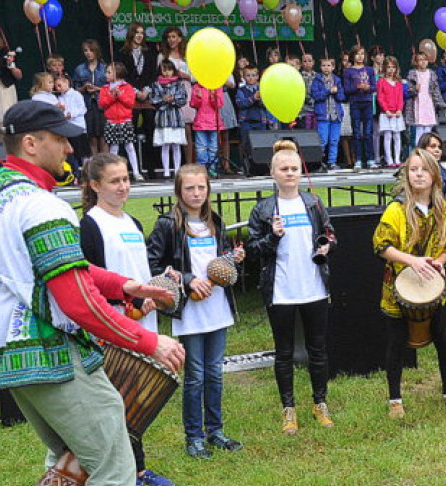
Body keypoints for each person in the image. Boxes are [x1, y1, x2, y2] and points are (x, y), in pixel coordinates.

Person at [0, 100, 184, 486]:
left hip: (6, 357)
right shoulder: (44, 208)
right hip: (51, 353)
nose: (70, 148)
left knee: (68, 456)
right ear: (31, 144)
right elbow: (75, 302)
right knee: (111, 468)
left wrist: (127, 285)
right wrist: (146, 340)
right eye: (60, 139)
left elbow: (74, 271)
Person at [79, 153, 176, 486]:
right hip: (113, 326)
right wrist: (130, 305)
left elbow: (136, 274)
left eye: (126, 179)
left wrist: (157, 287)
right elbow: (90, 283)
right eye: (114, 181)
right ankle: (122, 475)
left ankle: (139, 467)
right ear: (95, 185)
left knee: (137, 398)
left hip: (142, 321)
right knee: (115, 402)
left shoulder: (133, 222)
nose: (123, 187)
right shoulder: (90, 225)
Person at [146, 164, 245, 458]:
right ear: (179, 191)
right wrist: (187, 281)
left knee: (215, 372)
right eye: (190, 188)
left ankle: (215, 431)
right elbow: (152, 265)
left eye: (201, 187)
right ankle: (194, 436)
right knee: (195, 375)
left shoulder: (215, 221)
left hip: (216, 308)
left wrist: (232, 258)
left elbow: (220, 262)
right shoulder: (168, 224)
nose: (196, 193)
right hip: (190, 311)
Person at [247, 141, 337, 434]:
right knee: (283, 352)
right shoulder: (263, 209)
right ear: (273, 173)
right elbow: (252, 250)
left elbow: (330, 235)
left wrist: (326, 247)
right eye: (284, 169)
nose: (289, 174)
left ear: (301, 172)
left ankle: (320, 403)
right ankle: (289, 409)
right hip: (281, 290)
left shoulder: (313, 202)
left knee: (318, 349)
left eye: (294, 169)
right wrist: (272, 237)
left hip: (314, 288)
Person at [372, 149, 446, 418]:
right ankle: (395, 399)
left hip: (434, 287)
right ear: (407, 175)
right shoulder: (397, 209)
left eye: (424, 169)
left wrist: (439, 262)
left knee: (444, 340)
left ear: (434, 175)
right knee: (396, 344)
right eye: (413, 169)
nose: (419, 174)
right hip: (399, 288)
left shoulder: (444, 209)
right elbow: (381, 245)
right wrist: (412, 261)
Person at [120, 23, 159, 177]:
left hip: (147, 96)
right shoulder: (123, 53)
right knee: (131, 133)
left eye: (142, 33)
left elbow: (153, 74)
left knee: (150, 131)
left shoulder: (149, 52)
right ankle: (133, 169)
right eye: (136, 32)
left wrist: (147, 90)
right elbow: (124, 75)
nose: (139, 35)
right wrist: (135, 91)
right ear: (131, 34)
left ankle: (151, 169)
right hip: (132, 96)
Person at [98, 62, 143, 182]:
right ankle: (114, 173)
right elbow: (102, 104)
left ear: (117, 74)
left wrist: (120, 96)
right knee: (114, 148)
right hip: (112, 121)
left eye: (109, 72)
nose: (106, 75)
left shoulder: (127, 87)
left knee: (129, 146)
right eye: (106, 72)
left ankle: (136, 172)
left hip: (125, 121)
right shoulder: (105, 88)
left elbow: (130, 103)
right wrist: (112, 96)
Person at [158, 26, 195, 164]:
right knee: (173, 131)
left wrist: (183, 75)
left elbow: (196, 77)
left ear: (180, 39)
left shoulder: (187, 56)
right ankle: (174, 166)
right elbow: (159, 76)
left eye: (174, 37)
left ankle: (190, 163)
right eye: (168, 37)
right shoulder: (163, 56)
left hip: (186, 91)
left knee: (188, 130)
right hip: (169, 93)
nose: (171, 40)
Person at [149, 60, 188, 178]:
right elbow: (153, 99)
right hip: (163, 118)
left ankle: (177, 170)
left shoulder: (179, 83)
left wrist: (174, 99)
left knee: (176, 145)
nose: (166, 73)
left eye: (169, 70)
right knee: (165, 145)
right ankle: (166, 170)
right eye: (164, 70)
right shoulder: (156, 84)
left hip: (175, 118)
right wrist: (164, 100)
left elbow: (183, 98)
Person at [72, 39, 108, 157]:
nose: (88, 53)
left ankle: (105, 166)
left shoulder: (104, 68)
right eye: (85, 51)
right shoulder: (80, 69)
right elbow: (74, 89)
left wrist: (97, 89)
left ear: (96, 51)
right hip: (87, 105)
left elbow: (111, 87)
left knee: (103, 137)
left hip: (102, 105)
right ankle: (95, 165)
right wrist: (83, 88)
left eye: (91, 50)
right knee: (91, 137)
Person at [343, 46, 377, 170]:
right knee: (356, 132)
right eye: (357, 54)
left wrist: (368, 88)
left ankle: (370, 159)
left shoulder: (369, 70)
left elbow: (374, 87)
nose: (360, 56)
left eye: (362, 54)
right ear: (353, 56)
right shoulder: (348, 71)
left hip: (367, 102)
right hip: (355, 103)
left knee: (368, 132)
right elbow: (347, 89)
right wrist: (358, 87)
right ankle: (357, 159)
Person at [310, 56, 346, 170]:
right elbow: (315, 95)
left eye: (329, 65)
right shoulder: (317, 80)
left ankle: (332, 162)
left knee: (334, 140)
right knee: (323, 140)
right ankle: (319, 162)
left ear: (333, 67)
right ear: (320, 67)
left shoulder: (337, 80)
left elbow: (342, 97)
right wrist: (328, 91)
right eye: (324, 65)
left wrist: (336, 92)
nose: (326, 68)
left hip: (336, 115)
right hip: (323, 115)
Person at [405, 51, 446, 146]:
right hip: (418, 103)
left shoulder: (431, 73)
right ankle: (419, 150)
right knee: (419, 130)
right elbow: (408, 90)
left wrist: (441, 103)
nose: (423, 62)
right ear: (416, 62)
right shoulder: (412, 73)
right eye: (420, 60)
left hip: (428, 104)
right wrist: (415, 89)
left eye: (425, 60)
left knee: (428, 130)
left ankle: (427, 150)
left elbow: (436, 91)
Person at [54, 75, 88, 174]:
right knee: (72, 151)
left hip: (79, 126)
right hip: (68, 128)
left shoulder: (76, 94)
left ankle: (87, 172)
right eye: (56, 86)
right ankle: (75, 172)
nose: (57, 88)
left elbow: (82, 108)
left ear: (67, 83)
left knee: (83, 152)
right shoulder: (59, 98)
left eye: (59, 85)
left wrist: (71, 114)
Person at [376, 56, 406, 168]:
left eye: (393, 67)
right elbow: (380, 98)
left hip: (397, 113)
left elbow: (400, 97)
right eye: (388, 67)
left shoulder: (398, 82)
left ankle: (397, 158)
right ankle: (389, 160)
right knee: (388, 136)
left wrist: (399, 109)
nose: (391, 70)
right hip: (386, 113)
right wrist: (386, 110)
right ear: (384, 68)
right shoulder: (381, 81)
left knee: (397, 136)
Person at [189, 81, 224, 177]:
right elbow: (192, 104)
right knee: (201, 147)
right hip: (201, 122)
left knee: (213, 147)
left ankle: (212, 167)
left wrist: (213, 96)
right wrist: (198, 97)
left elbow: (220, 104)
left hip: (213, 122)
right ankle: (202, 168)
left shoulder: (217, 86)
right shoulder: (197, 87)